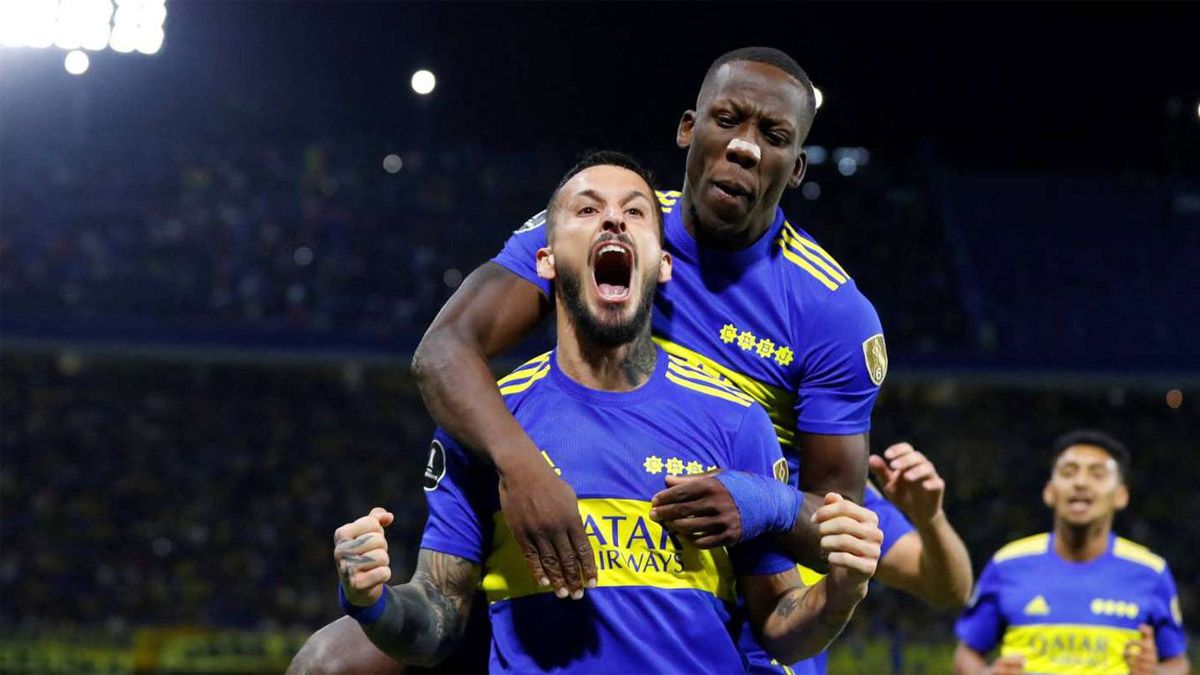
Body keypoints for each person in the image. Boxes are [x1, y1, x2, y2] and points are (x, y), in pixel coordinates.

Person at [295, 152, 883, 673]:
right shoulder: (488, 425)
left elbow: (780, 629)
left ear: (664, 264)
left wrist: (841, 592)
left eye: (635, 214)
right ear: (545, 260)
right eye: (587, 210)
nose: (612, 221)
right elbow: (436, 623)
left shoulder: (737, 421)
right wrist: (373, 600)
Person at [954, 430, 1189, 675]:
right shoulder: (1007, 564)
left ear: (1121, 495)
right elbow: (966, 654)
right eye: (1068, 472)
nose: (1080, 483)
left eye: (1097, 474)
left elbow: (1178, 664)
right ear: (1049, 491)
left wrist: (1154, 673)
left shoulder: (1151, 572)